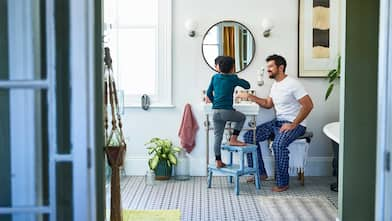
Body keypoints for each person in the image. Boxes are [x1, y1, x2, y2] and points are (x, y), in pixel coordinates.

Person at [237, 54, 313, 192]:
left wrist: (294, 124)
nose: (268, 70)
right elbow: (267, 104)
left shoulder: (293, 84)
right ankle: (260, 174)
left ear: (281, 67)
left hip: (295, 124)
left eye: (271, 66)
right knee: (249, 136)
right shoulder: (275, 85)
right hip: (278, 122)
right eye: (268, 67)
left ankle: (282, 183)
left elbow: (308, 105)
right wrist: (249, 96)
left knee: (278, 144)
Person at [205, 56, 251, 168]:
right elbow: (247, 85)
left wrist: (216, 103)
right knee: (242, 117)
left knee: (217, 137)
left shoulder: (214, 77)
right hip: (226, 112)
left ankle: (218, 161)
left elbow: (208, 93)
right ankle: (233, 139)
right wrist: (236, 77)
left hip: (216, 112)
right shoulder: (233, 78)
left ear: (219, 68)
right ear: (232, 68)